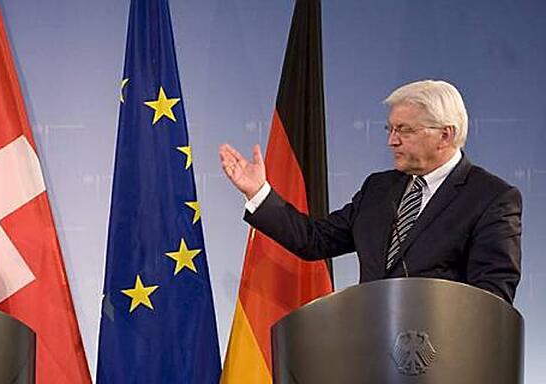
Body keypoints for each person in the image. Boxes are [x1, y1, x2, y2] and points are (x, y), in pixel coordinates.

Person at [219, 80, 522, 304]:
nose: (392, 141)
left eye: (404, 130)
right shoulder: (378, 189)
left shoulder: (491, 198)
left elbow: (491, 297)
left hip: (439, 361)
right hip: (370, 353)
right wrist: (258, 192)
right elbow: (313, 240)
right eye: (390, 129)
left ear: (445, 135)